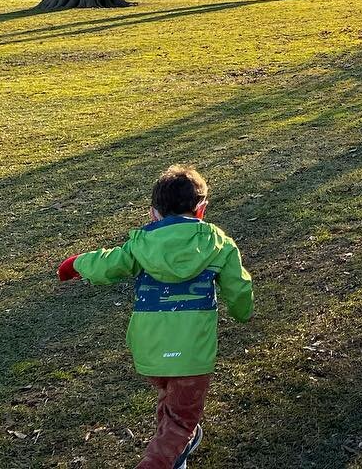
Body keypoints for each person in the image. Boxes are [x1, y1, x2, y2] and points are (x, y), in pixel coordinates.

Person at [56, 165, 253, 469]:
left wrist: (76, 264)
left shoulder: (140, 245)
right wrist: (242, 312)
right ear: (201, 209)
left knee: (170, 403)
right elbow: (238, 287)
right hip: (192, 354)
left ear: (153, 213)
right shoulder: (218, 245)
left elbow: (107, 263)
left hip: (150, 351)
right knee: (181, 421)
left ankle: (178, 452)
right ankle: (162, 459)